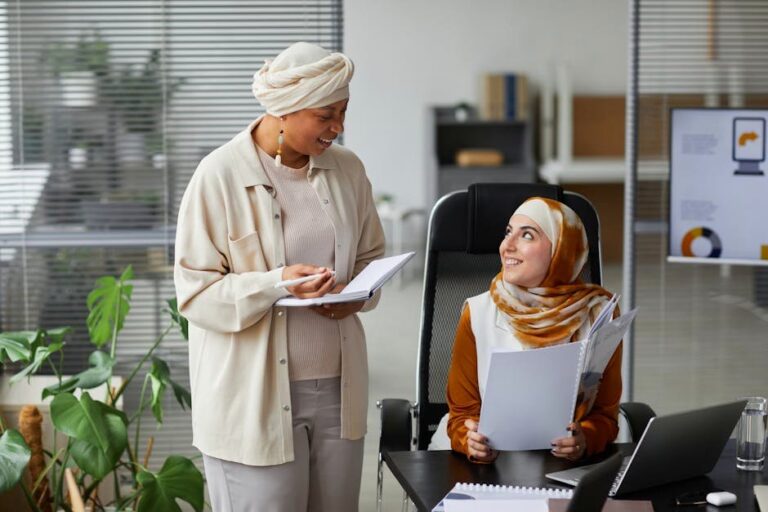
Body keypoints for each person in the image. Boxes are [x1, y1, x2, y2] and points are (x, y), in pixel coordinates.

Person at [173, 42, 385, 511]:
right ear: (285, 110)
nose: (339, 127)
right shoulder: (219, 175)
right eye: (326, 114)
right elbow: (196, 294)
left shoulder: (348, 170)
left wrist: (357, 295)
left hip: (337, 389)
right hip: (250, 399)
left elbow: (371, 255)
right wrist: (277, 282)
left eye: (344, 112)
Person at [434, 196, 622, 463]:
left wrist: (585, 438)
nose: (507, 246)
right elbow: (462, 416)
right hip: (491, 467)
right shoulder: (478, 313)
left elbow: (605, 415)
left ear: (561, 250)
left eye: (527, 236)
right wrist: (471, 441)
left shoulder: (599, 313)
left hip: (565, 466)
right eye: (508, 232)